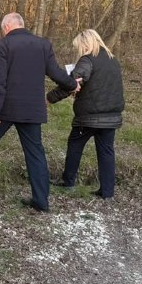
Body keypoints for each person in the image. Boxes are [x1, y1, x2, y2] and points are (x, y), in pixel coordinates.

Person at [0, 13, 78, 212]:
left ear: (7, 26)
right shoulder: (43, 44)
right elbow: (56, 72)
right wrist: (72, 84)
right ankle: (41, 200)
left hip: (7, 108)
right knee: (35, 153)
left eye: (3, 29)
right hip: (32, 109)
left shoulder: (3, 45)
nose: (3, 32)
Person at [47, 29, 124, 199]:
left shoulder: (87, 60)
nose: (78, 51)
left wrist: (49, 98)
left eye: (79, 47)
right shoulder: (113, 61)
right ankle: (107, 192)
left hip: (89, 116)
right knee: (106, 152)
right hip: (111, 116)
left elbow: (71, 83)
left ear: (85, 44)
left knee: (75, 145)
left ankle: (68, 181)